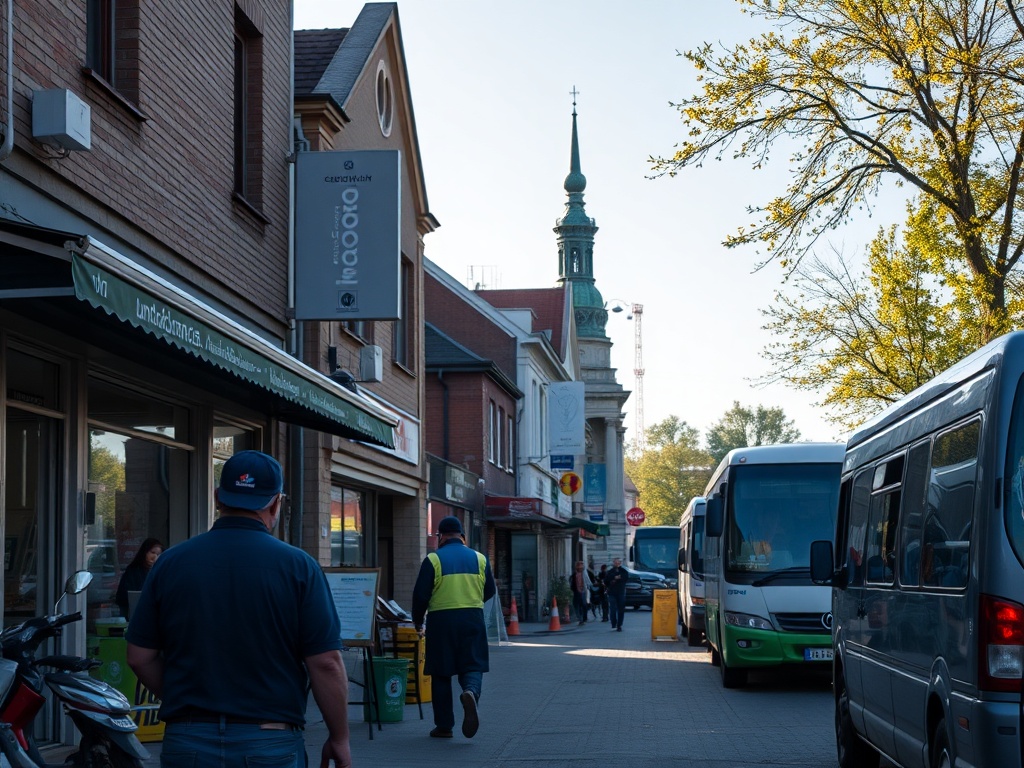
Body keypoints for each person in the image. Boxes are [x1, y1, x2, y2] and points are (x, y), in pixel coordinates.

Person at [125, 450, 352, 768]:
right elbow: (326, 663)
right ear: (276, 503)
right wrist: (339, 737)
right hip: (268, 741)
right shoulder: (299, 567)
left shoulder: (170, 563)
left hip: (187, 741)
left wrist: (188, 702)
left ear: (218, 498)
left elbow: (138, 657)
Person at [412, 516, 496, 740]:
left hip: (441, 621)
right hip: (472, 618)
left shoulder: (433, 559)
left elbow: (420, 595)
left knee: (441, 672)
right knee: (472, 664)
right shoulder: (480, 558)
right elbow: (490, 591)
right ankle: (470, 692)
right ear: (462, 536)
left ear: (440, 536)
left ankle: (444, 726)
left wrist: (417, 621)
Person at [114, 537, 163, 619]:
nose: (155, 557)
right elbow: (123, 596)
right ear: (145, 552)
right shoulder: (133, 571)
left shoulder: (161, 571)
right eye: (152, 552)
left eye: (158, 554)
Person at [604, 556, 628, 631]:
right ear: (613, 563)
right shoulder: (610, 571)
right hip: (612, 592)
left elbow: (625, 578)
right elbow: (606, 580)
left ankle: (619, 625)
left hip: (621, 592)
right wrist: (615, 577)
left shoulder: (624, 571)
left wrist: (618, 578)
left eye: (619, 562)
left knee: (621, 609)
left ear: (620, 563)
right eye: (616, 562)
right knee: (613, 609)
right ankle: (613, 623)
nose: (617, 563)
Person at [569, 560, 591, 626]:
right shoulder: (574, 575)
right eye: (579, 567)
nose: (580, 568)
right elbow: (571, 583)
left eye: (581, 567)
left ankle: (583, 618)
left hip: (583, 591)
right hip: (576, 592)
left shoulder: (584, 574)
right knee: (577, 605)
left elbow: (588, 582)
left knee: (583, 605)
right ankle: (580, 619)